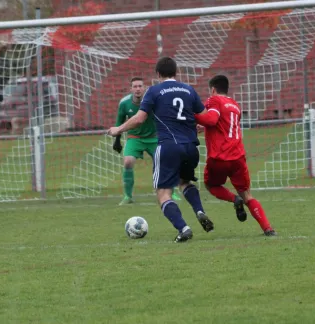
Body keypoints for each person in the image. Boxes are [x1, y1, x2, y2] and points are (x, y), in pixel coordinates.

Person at [108, 57, 214, 242]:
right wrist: (197, 126)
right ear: (176, 72)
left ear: (158, 74)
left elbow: (139, 118)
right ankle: (199, 211)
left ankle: (184, 228)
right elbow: (204, 117)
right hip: (191, 147)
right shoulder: (188, 89)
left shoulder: (154, 91)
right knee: (185, 182)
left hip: (168, 147)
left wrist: (118, 129)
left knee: (163, 193)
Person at [195, 75, 276, 236]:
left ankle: (234, 200)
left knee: (211, 186)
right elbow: (221, 126)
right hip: (238, 156)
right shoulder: (235, 105)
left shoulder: (214, 100)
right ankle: (268, 229)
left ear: (213, 89)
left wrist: (193, 116)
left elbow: (211, 120)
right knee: (247, 194)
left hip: (219, 157)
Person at [113, 77, 181, 205]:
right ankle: (128, 196)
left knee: (165, 163)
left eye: (140, 86)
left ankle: (173, 192)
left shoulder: (152, 101)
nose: (138, 89)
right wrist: (117, 141)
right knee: (128, 162)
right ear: (131, 89)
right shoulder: (124, 103)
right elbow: (119, 122)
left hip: (154, 137)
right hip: (135, 138)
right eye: (135, 86)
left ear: (144, 88)